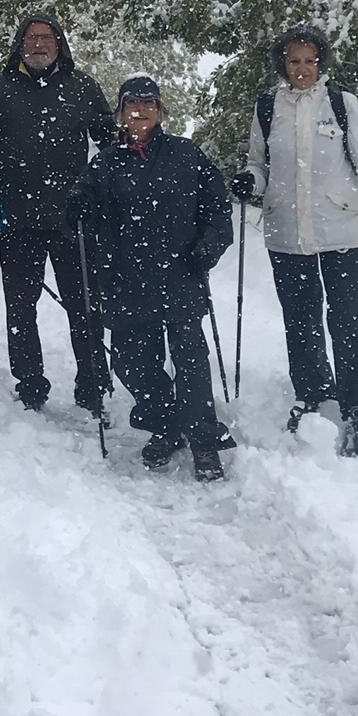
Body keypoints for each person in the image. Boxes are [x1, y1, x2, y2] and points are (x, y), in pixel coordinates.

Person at [230, 24, 358, 459]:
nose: (303, 69)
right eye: (294, 61)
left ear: (321, 63)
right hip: (287, 234)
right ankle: (311, 396)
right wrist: (247, 182)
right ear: (282, 65)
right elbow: (259, 164)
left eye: (310, 61)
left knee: (348, 320)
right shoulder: (268, 107)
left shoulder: (342, 104)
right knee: (301, 320)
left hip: (340, 231)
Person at [66, 76, 234, 478]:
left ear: (160, 111)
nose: (139, 112)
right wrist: (78, 209)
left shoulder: (185, 154)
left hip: (180, 273)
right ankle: (167, 424)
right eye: (131, 105)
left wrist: (208, 247)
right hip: (126, 279)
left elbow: (218, 207)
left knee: (191, 361)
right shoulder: (106, 161)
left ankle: (203, 440)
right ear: (121, 113)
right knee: (131, 363)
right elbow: (82, 202)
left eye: (148, 105)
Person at [0, 14, 116, 413]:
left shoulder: (82, 87)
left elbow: (109, 143)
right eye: (32, 38)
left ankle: (92, 385)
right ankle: (30, 384)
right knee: (20, 308)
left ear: (60, 44)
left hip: (73, 220)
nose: (40, 45)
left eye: (48, 38)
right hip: (18, 220)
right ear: (20, 45)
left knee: (85, 307)